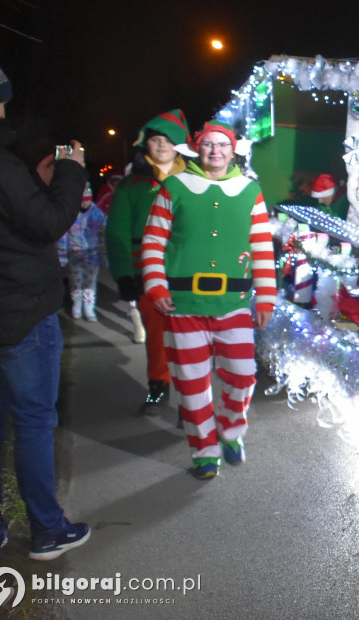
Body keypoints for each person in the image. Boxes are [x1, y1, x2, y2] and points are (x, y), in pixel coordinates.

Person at [0, 44, 91, 564]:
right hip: (20, 315)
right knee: (34, 422)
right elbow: (45, 223)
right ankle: (46, 529)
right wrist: (70, 171)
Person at [140, 120, 276, 479]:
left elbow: (262, 248)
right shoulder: (173, 187)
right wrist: (156, 286)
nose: (215, 151)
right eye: (207, 145)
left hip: (232, 304)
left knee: (244, 377)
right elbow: (153, 242)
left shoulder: (250, 191)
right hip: (183, 305)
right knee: (191, 383)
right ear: (196, 149)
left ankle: (230, 430)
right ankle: (204, 450)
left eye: (222, 145)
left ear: (233, 151)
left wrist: (265, 300)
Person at [105, 110, 189, 413]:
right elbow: (116, 233)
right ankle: (158, 387)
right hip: (148, 275)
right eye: (155, 140)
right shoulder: (131, 186)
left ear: (179, 144)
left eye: (168, 140)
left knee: (192, 337)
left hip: (189, 273)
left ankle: (191, 400)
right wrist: (124, 275)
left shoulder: (196, 181)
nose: (162, 145)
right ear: (146, 145)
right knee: (157, 336)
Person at [56, 183, 107, 321]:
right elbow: (63, 235)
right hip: (74, 252)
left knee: (90, 281)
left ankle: (89, 306)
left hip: (92, 254)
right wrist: (62, 255)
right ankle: (77, 304)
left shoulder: (97, 214)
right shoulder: (71, 214)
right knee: (76, 280)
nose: (85, 203)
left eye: (87, 199)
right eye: (82, 200)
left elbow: (103, 234)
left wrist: (104, 255)